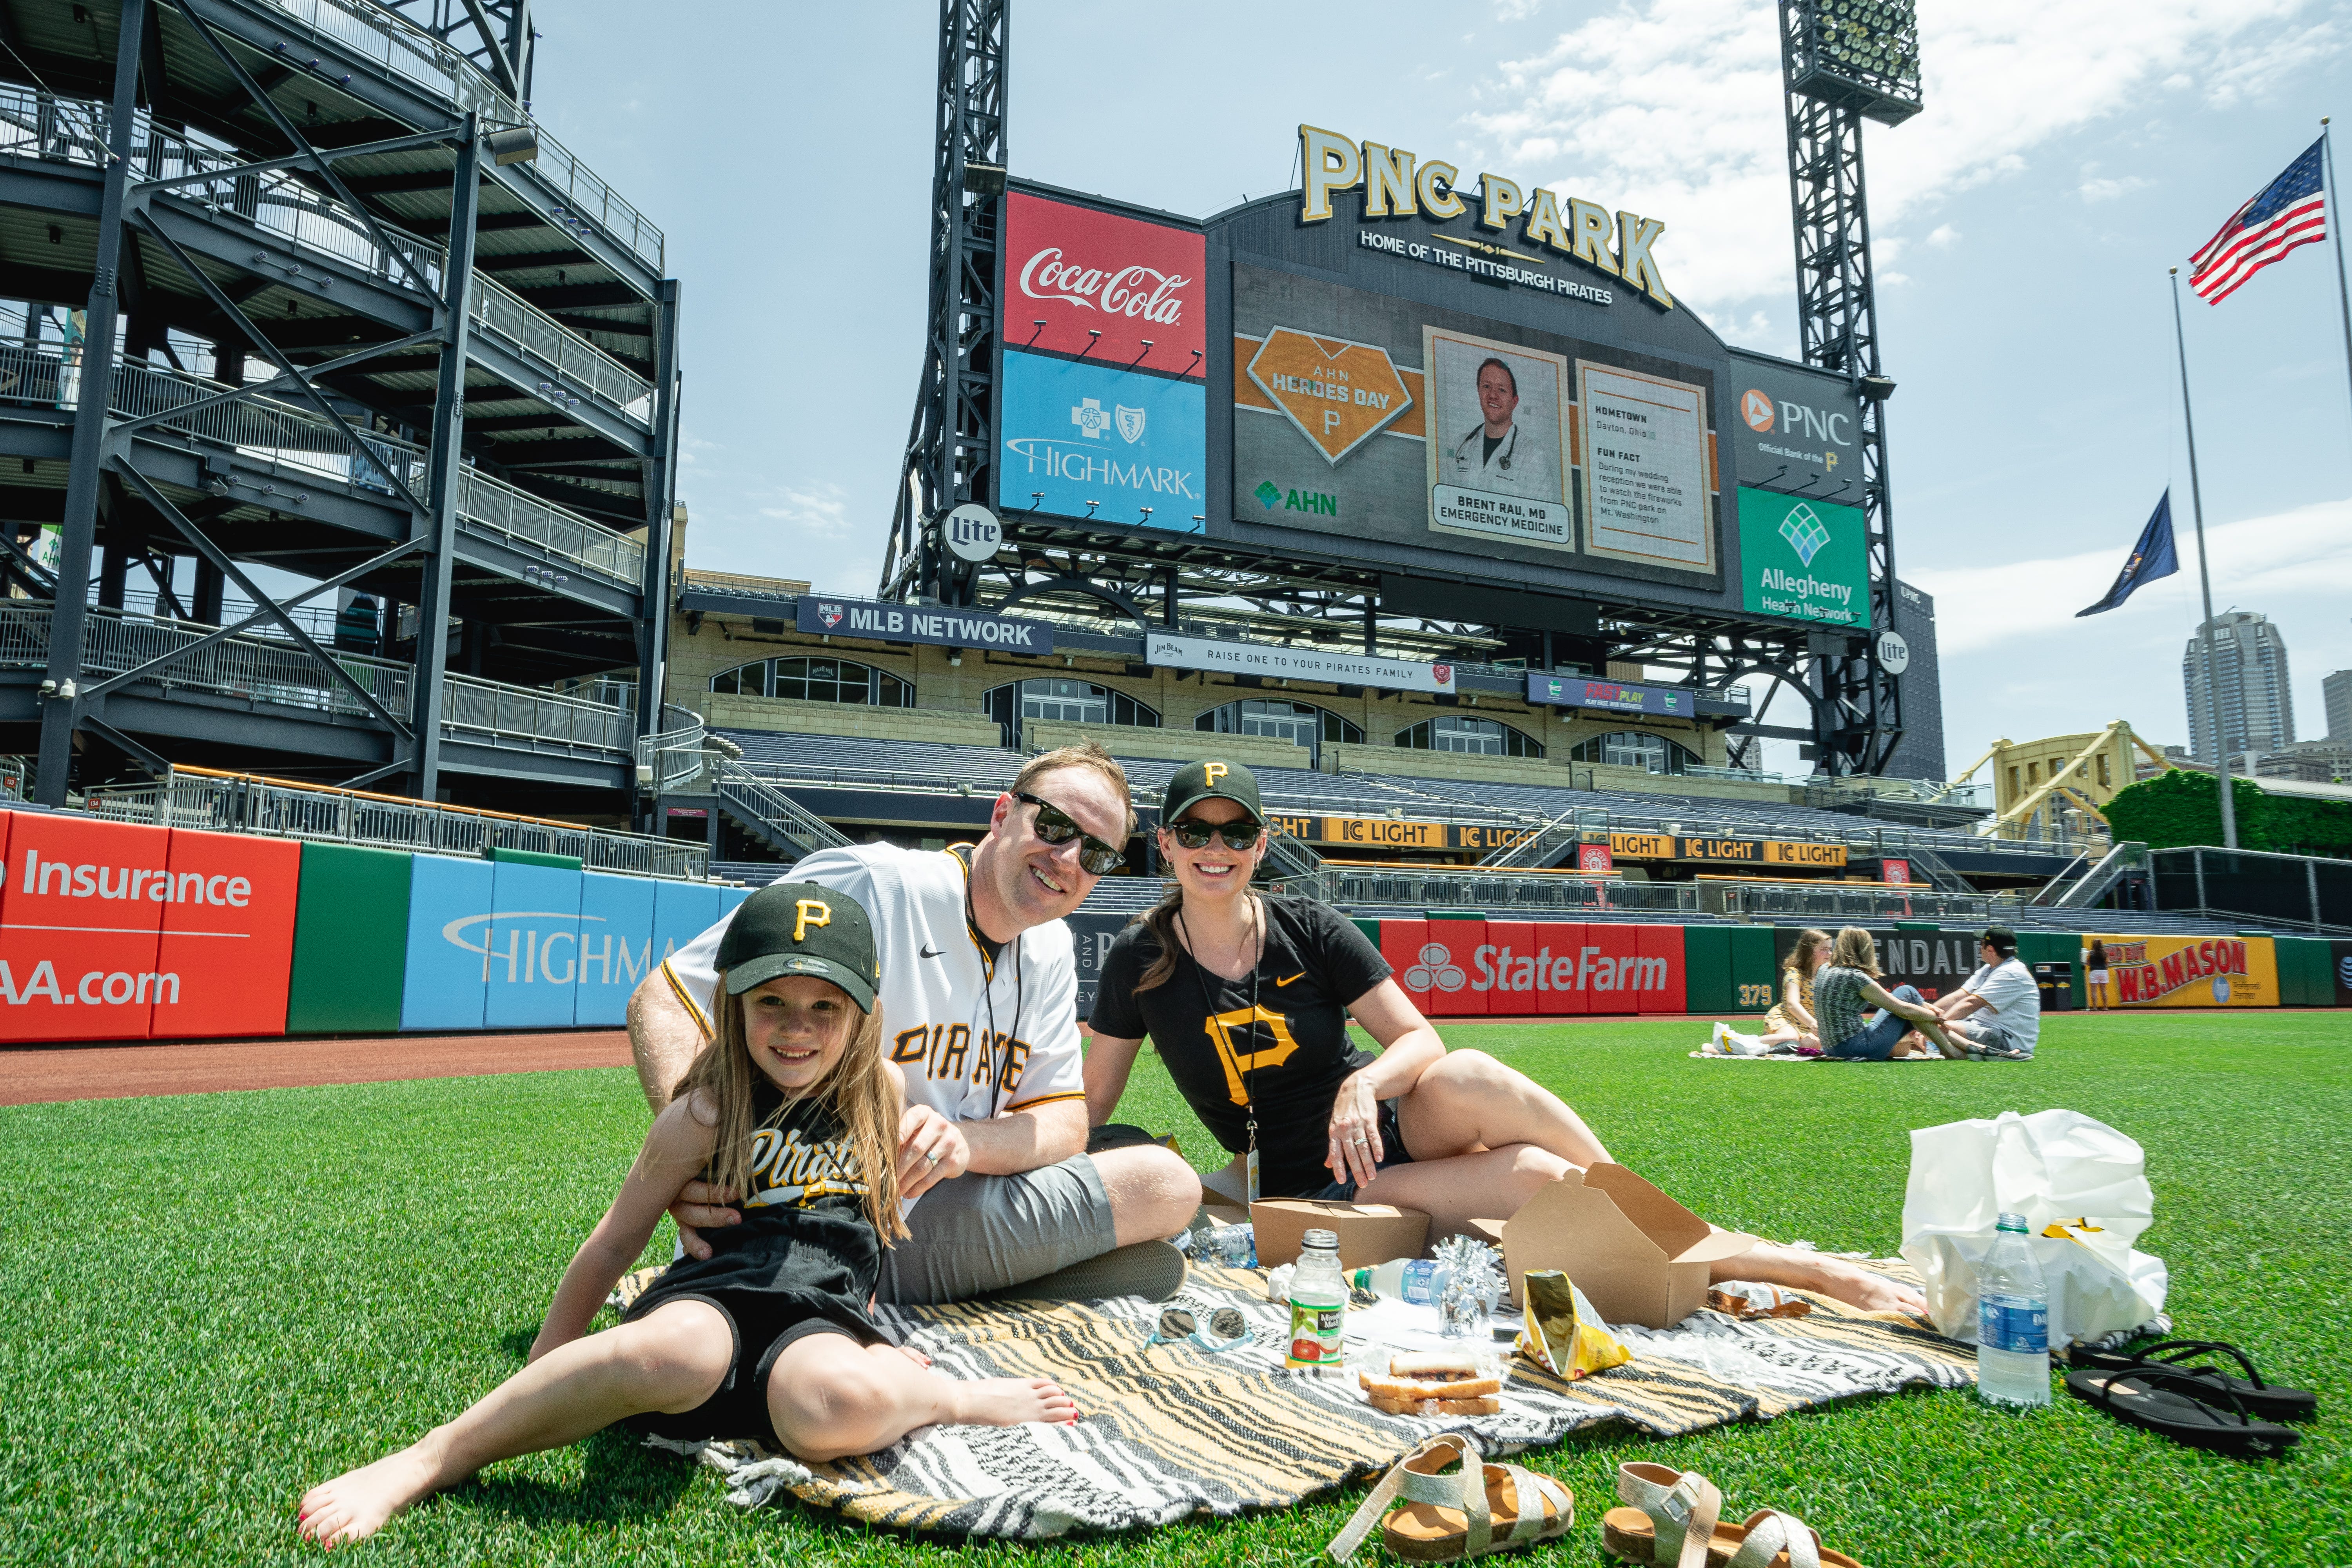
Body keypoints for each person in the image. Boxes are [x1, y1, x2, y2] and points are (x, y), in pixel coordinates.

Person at [296, 883, 1077, 1548]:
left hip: (820, 1323)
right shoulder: (702, 1113)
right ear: (731, 1001)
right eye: (771, 1000)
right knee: (671, 1350)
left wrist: (875, 1330)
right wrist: (543, 1371)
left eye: (824, 1006)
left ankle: (949, 1396)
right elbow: (612, 1245)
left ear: (866, 1011)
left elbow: (867, 1229)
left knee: (833, 1404)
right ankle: (436, 1455)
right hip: (716, 1300)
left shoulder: (885, 1093)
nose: (796, 1026)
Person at [1083, 759, 1927, 1316]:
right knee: (1534, 1177)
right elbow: (1092, 1100)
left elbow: (1419, 1040)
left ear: (1262, 844)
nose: (1216, 848)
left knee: (1472, 1073)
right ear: (1165, 843)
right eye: (1196, 831)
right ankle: (1784, 1268)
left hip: (1378, 1126)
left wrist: (1360, 1084)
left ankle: (1663, 1222)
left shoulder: (1308, 923)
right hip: (1311, 1178)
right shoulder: (1140, 955)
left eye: (1236, 832)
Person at [628, 742, 1199, 1305]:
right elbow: (665, 998)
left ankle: (999, 1275)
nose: (1069, 859)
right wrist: (706, 1164)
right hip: (829, 1210)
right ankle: (993, 1275)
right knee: (1163, 1182)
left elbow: (1065, 1118)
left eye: (1097, 854)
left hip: (952, 1200)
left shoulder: (1049, 946)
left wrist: (963, 1143)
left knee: (1159, 1174)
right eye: (1053, 826)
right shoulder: (874, 884)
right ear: (1002, 815)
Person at [1811, 927, 1966, 1062]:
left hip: (1832, 1049)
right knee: (1908, 998)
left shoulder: (1824, 969)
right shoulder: (1854, 977)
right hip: (1857, 1048)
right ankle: (1952, 1050)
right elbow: (1905, 1010)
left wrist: (1928, 1010)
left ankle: (1951, 1048)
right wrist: (1938, 1018)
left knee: (1906, 993)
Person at [1921, 926, 2042, 1059]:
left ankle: (1986, 1053)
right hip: (1987, 1030)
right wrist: (1928, 1015)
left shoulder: (2011, 972)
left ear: (1990, 949)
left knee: (1933, 1029)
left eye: (1982, 944)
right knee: (1925, 1023)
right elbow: (1957, 997)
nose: (1980, 948)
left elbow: (1971, 1003)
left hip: (2008, 1040)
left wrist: (1937, 1023)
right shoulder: (1989, 969)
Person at [1447, 357, 1540, 494]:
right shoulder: (1460, 445)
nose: (1493, 395)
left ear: (1514, 401)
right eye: (1487, 387)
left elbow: (1543, 510)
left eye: (1502, 390)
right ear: (1479, 392)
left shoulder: (1533, 456)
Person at [1757, 928, 1830, 1050]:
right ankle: (1738, 1041)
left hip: (1807, 1025)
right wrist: (1813, 1024)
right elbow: (1792, 1004)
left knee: (1815, 1044)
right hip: (1786, 1018)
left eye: (1830, 949)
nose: (1830, 954)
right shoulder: (1794, 973)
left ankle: (1779, 1047)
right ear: (1809, 952)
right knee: (1790, 1037)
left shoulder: (1827, 975)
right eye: (1824, 950)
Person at [2084, 937, 2111, 1012]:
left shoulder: (2091, 953)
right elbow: (2108, 963)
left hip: (2094, 971)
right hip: (2104, 971)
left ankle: (2095, 1007)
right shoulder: (2105, 953)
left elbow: (2088, 963)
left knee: (2094, 991)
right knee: (2104, 990)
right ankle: (2105, 1007)